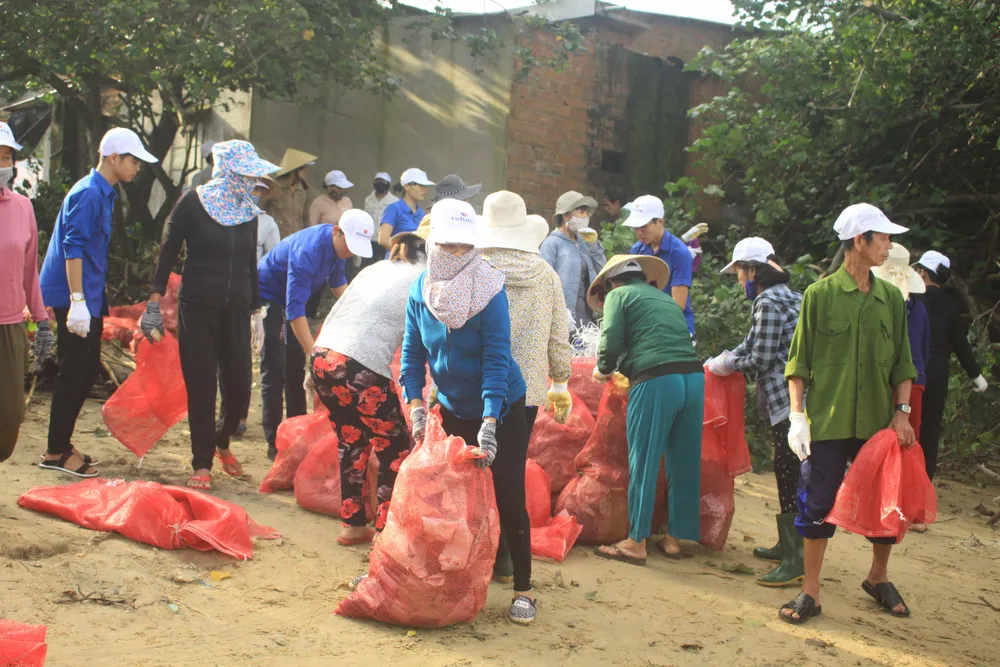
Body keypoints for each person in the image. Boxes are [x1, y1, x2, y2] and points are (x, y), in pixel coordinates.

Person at [780, 203, 917, 625]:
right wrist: (797, 416)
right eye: (883, 238)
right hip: (828, 421)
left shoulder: (891, 298)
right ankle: (811, 591)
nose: (889, 247)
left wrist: (902, 413)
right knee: (817, 503)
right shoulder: (819, 296)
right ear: (859, 242)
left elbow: (904, 365)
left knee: (884, 503)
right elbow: (798, 364)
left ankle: (878, 577)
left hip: (878, 424)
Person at [400, 198, 535, 625]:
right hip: (452, 405)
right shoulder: (420, 291)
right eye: (449, 246)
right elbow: (411, 355)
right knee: (442, 491)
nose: (457, 255)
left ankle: (524, 589)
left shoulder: (490, 290)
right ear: (433, 243)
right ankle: (438, 579)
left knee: (507, 490)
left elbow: (497, 358)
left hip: (502, 406)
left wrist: (491, 422)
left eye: (465, 247)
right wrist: (418, 407)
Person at [140, 141, 277, 489]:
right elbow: (168, 249)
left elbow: (249, 263)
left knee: (239, 388)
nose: (253, 181)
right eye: (247, 173)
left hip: (236, 310)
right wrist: (153, 302)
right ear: (229, 172)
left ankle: (222, 440)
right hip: (197, 309)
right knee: (201, 387)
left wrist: (256, 309)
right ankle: (201, 463)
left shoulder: (247, 212)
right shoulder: (192, 203)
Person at [39, 128, 158, 477]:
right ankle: (54, 451)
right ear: (113, 158)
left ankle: (61, 442)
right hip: (73, 295)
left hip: (87, 294)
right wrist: (76, 301)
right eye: (133, 160)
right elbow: (72, 249)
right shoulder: (89, 193)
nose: (137, 167)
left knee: (86, 369)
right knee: (73, 372)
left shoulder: (104, 193)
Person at [309, 226, 428, 545]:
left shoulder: (377, 268)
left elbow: (337, 311)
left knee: (352, 442)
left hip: (323, 358)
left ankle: (352, 524)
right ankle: (385, 532)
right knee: (397, 451)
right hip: (359, 366)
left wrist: (311, 371)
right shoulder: (425, 278)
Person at [588, 255, 703, 565]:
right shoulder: (665, 300)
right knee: (683, 460)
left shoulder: (618, 295)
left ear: (612, 282)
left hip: (657, 379)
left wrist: (603, 369)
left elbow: (611, 340)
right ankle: (674, 539)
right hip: (693, 377)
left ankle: (636, 541)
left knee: (644, 458)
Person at [706, 237, 804, 586]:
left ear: (753, 271)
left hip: (788, 398)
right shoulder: (792, 296)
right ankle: (787, 544)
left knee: (788, 469)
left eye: (739, 273)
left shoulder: (766, 300)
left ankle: (796, 557)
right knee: (791, 468)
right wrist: (728, 357)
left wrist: (728, 365)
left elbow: (760, 358)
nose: (738, 280)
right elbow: (754, 343)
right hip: (801, 396)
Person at [257, 212, 375, 459]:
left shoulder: (338, 249)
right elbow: (294, 311)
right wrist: (314, 355)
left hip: (292, 303)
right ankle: (275, 440)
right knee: (277, 368)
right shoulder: (308, 252)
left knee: (295, 368)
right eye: (350, 246)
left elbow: (338, 285)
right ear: (336, 231)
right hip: (270, 298)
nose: (351, 252)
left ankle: (298, 431)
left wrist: (364, 315)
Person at [479, 191, 572, 436]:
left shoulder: (474, 270)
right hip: (527, 387)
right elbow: (559, 334)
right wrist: (560, 383)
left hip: (477, 384)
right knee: (513, 464)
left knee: (472, 466)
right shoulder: (546, 274)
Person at [0, 122, 52, 463]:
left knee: (9, 416)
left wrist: (42, 320)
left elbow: (29, 269)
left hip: (10, 325)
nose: (2, 163)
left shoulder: (22, 207)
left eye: (6, 157)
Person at [912, 250, 988, 485]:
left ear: (923, 272)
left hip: (911, 374)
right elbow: (961, 344)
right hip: (937, 375)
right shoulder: (950, 305)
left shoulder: (912, 299)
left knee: (906, 429)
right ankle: (923, 487)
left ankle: (901, 486)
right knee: (930, 432)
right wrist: (976, 376)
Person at [872, 244, 929, 439]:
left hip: (885, 381)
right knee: (907, 442)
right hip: (915, 380)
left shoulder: (880, 305)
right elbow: (924, 348)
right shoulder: (919, 308)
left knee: (880, 444)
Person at [622, 195, 696, 338]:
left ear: (660, 222)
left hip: (676, 328)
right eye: (635, 227)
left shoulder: (679, 253)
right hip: (646, 326)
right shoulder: (637, 251)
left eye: (643, 226)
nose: (639, 232)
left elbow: (678, 304)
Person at [539, 191, 607, 329]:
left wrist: (594, 245)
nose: (586, 216)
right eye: (582, 211)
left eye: (587, 212)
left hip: (588, 316)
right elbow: (542, 283)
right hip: (564, 317)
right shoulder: (552, 243)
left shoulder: (584, 241)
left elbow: (603, 271)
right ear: (566, 215)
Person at [378, 168, 435, 254]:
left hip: (416, 263)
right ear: (406, 186)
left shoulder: (421, 213)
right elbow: (383, 240)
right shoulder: (393, 209)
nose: (424, 190)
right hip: (395, 262)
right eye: (420, 185)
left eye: (425, 186)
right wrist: (404, 253)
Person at [265, 148, 317, 239]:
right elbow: (261, 210)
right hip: (276, 238)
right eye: (303, 169)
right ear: (296, 170)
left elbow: (305, 217)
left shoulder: (303, 190)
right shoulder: (274, 187)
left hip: (296, 238)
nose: (305, 172)